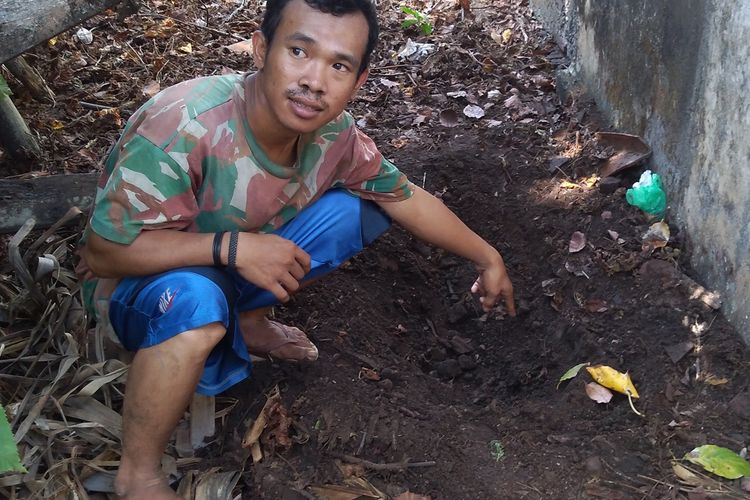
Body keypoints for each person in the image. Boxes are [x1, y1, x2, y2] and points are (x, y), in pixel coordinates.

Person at [77, 0, 516, 497]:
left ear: (359, 79)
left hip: (227, 261)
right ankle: (139, 475)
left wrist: (487, 257)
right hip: (141, 289)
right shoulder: (186, 125)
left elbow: (406, 197)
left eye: (338, 65)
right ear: (262, 47)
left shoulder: (335, 135)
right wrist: (233, 247)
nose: (314, 80)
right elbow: (104, 254)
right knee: (197, 301)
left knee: (359, 210)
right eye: (299, 51)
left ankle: (244, 320)